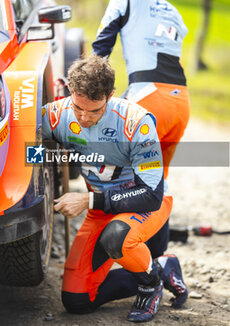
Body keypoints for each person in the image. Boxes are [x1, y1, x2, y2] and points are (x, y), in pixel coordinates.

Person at [42, 55, 187, 323]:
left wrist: (88, 200)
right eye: (78, 108)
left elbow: (151, 195)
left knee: (116, 237)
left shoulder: (137, 122)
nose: (84, 117)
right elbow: (20, 146)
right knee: (77, 300)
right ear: (70, 93)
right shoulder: (56, 114)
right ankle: (161, 266)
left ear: (110, 96)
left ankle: (150, 285)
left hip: (144, 204)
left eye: (94, 111)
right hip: (101, 210)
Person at [92, 0, 190, 179]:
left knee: (108, 174)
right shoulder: (174, 12)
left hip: (148, 98)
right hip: (180, 103)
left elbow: (102, 43)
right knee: (154, 183)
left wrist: (88, 89)